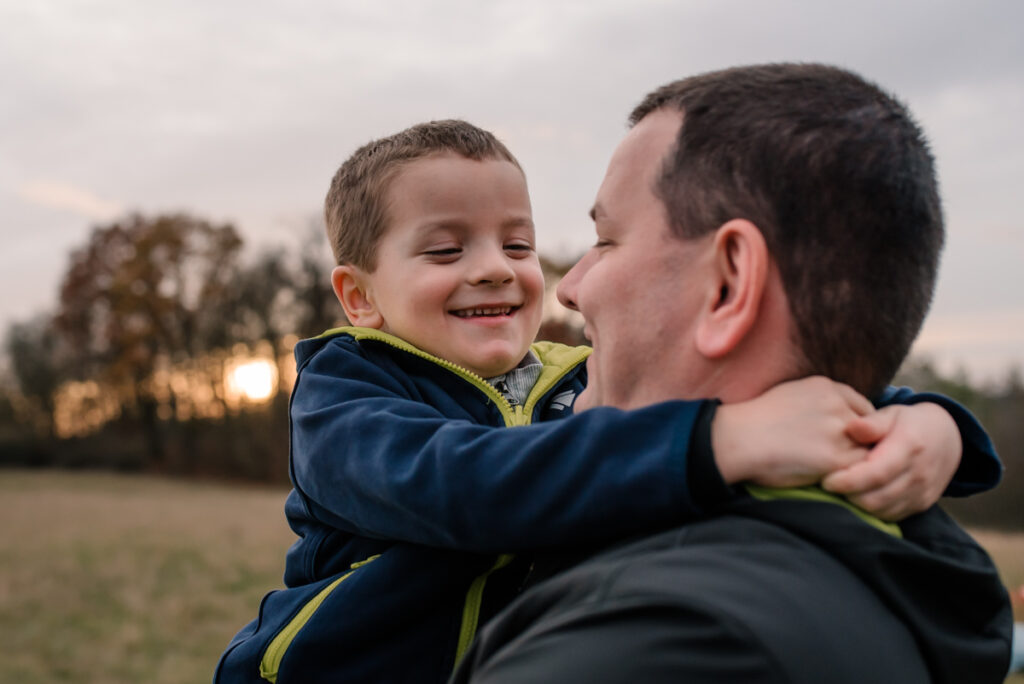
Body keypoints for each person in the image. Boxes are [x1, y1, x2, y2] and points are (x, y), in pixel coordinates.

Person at [213, 119, 1002, 684]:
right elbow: (465, 487)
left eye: (517, 244)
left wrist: (929, 424)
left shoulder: (572, 375)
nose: (494, 269)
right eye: (447, 249)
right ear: (359, 297)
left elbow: (754, 381)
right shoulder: (344, 397)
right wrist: (719, 441)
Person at [451, 63, 1013, 684]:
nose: (570, 289)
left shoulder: (656, 646)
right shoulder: (896, 568)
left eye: (607, 240)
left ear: (728, 285)